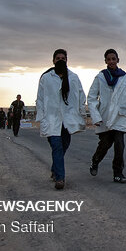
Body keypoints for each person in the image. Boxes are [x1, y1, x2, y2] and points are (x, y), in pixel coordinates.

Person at [36, 49, 86, 190]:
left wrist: (81, 114)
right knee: (57, 146)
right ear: (53, 61)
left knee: (64, 144)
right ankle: (60, 178)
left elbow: (81, 96)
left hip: (68, 119)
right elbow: (40, 98)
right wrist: (42, 117)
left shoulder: (74, 77)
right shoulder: (46, 78)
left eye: (63, 58)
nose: (60, 60)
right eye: (58, 58)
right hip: (51, 119)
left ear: (66, 60)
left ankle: (55, 168)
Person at [88, 49, 126, 183]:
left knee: (119, 145)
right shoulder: (100, 77)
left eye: (114, 59)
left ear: (118, 60)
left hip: (119, 116)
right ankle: (95, 160)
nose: (111, 61)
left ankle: (118, 173)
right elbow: (92, 97)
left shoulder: (125, 77)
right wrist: (95, 116)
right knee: (105, 144)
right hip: (104, 117)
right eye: (109, 59)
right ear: (105, 61)